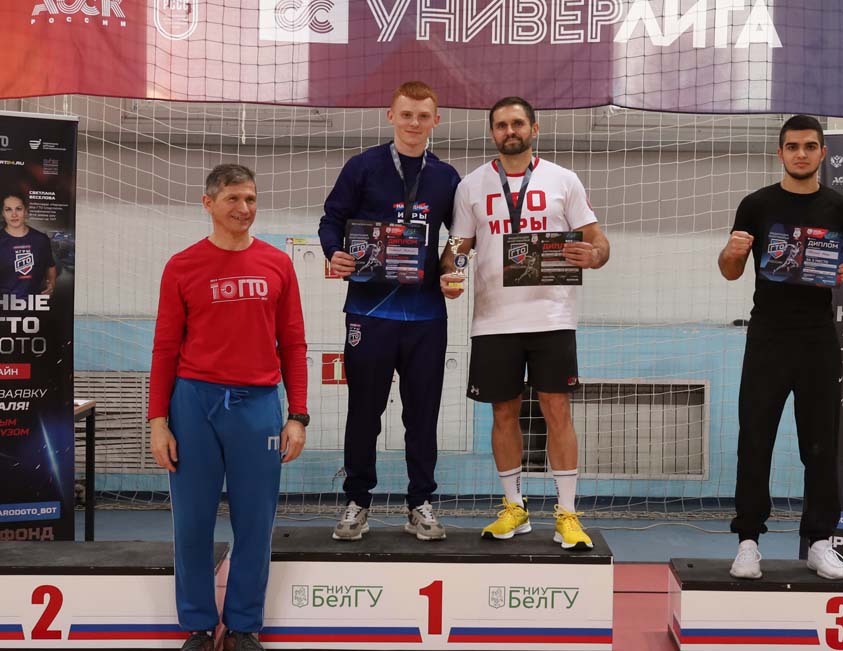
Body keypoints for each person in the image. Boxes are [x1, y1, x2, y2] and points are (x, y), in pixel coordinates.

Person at [148, 165, 308, 651]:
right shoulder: (182, 266)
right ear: (209, 203)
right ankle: (199, 626)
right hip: (193, 404)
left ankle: (243, 626)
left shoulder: (277, 264)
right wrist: (158, 421)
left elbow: (293, 343)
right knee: (192, 522)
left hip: (258, 404)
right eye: (233, 199)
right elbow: (164, 348)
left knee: (255, 522)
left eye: (251, 199)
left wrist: (297, 414)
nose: (244, 208)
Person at [442, 96, 611, 551]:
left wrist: (593, 255)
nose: (509, 131)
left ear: (534, 129)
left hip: (552, 316)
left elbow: (598, 242)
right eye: (501, 125)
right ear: (492, 132)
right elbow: (458, 247)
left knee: (557, 409)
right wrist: (450, 273)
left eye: (517, 123)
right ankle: (514, 507)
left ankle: (567, 514)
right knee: (503, 412)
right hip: (493, 320)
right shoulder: (471, 185)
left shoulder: (563, 179)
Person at [718, 115, 843, 581]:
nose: (800, 154)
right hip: (767, 336)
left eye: (809, 146)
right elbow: (729, 270)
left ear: (822, 152)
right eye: (792, 146)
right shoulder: (756, 204)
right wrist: (732, 253)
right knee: (755, 439)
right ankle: (748, 542)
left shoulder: (840, 207)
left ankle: (820, 542)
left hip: (818, 339)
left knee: (820, 444)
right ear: (780, 152)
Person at [318, 81, 460, 541]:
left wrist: (452, 271)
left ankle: (420, 503)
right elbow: (331, 220)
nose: (414, 123)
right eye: (406, 114)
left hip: (426, 316)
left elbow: (460, 238)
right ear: (391, 116)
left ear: (436, 120)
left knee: (422, 414)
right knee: (364, 410)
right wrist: (335, 252)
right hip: (369, 312)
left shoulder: (446, 177)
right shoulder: (362, 166)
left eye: (423, 116)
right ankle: (358, 501)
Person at [0, 192, 56, 298]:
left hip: (35, 303)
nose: (14, 214)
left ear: (25, 211)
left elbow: (50, 266)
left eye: (18, 209)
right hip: (4, 304)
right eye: (8, 209)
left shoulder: (41, 240)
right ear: (3, 213)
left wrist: (51, 284)